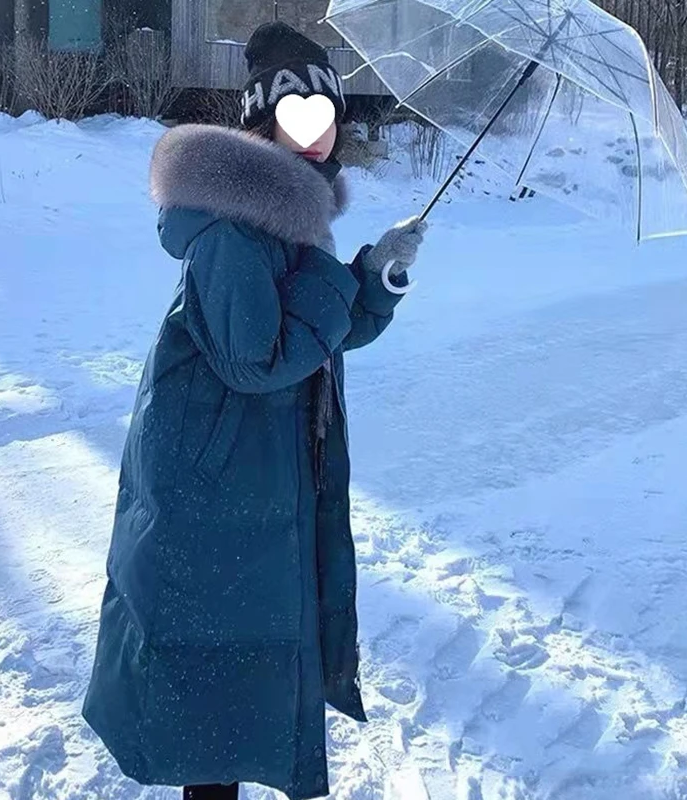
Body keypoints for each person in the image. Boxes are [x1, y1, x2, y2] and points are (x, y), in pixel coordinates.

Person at [81, 20, 427, 800]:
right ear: (260, 119)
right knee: (213, 686)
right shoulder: (232, 232)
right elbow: (261, 359)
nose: (314, 133)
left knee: (240, 674)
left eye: (327, 115)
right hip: (214, 497)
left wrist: (377, 275)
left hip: (253, 486)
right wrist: (340, 282)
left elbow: (318, 339)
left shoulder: (287, 218)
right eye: (297, 113)